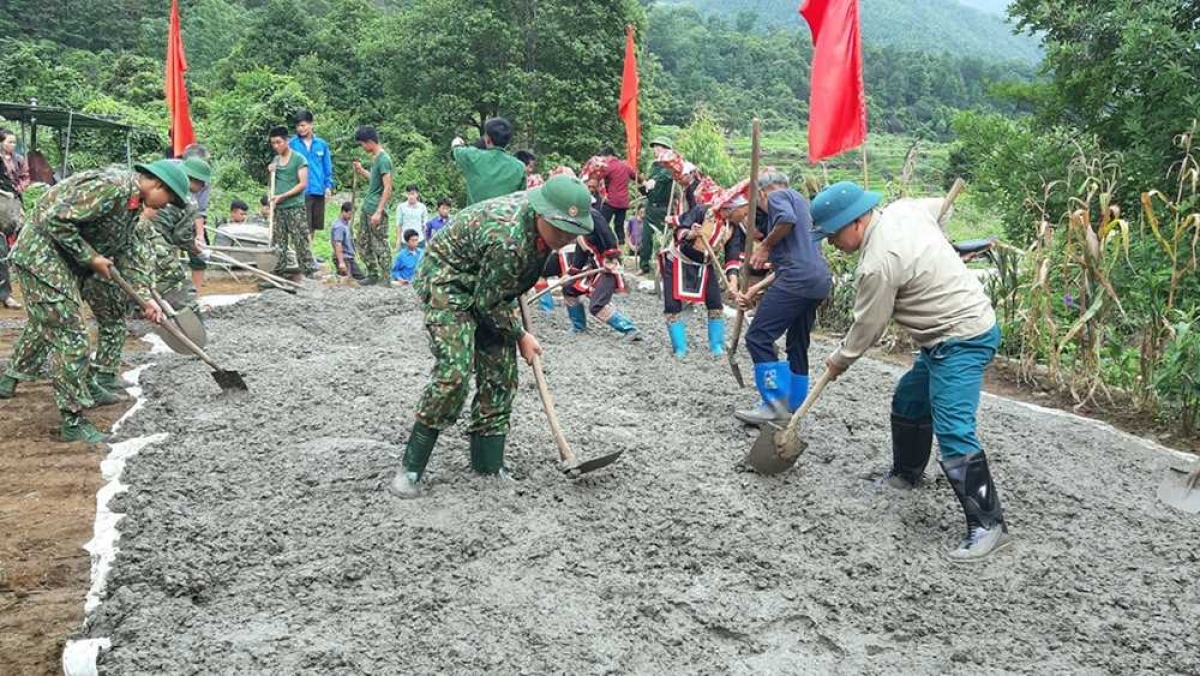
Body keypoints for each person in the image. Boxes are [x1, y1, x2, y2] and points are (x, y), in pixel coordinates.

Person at [812, 181, 1010, 562]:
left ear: (855, 222)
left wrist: (839, 360)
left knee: (953, 428)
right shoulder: (906, 209)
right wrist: (935, 246)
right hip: (937, 339)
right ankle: (906, 473)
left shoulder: (878, 263)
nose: (831, 242)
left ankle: (989, 525)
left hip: (963, 336)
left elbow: (868, 328)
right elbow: (942, 207)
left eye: (832, 234)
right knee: (909, 400)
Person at [390, 175, 594, 498]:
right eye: (560, 229)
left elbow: (499, 291)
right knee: (454, 373)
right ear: (542, 215)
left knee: (501, 374)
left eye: (573, 231)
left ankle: (487, 464)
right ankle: (411, 468)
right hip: (450, 281)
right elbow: (487, 302)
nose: (566, 237)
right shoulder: (509, 239)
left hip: (492, 284)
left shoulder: (542, 234)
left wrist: (513, 313)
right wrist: (521, 335)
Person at [0, 162, 178, 442]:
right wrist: (90, 257)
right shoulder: (112, 187)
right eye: (170, 199)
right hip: (41, 257)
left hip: (61, 264)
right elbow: (55, 219)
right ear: (157, 186)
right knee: (73, 336)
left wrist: (144, 298)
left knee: (49, 324)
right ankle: (72, 422)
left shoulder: (131, 204)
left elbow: (128, 251)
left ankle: (12, 381)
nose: (167, 207)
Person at [734, 171, 831, 426]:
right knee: (798, 342)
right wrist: (755, 290)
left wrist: (765, 246)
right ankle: (795, 405)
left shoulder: (778, 196)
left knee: (758, 337)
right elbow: (792, 263)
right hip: (817, 281)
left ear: (762, 193)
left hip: (796, 280)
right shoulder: (804, 206)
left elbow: (784, 220)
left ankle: (775, 404)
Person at [660, 182, 748, 358]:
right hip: (678, 261)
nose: (746, 216)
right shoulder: (702, 211)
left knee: (715, 303)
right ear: (732, 208)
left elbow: (732, 257)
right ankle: (680, 348)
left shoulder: (734, 228)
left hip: (705, 265)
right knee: (672, 304)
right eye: (744, 212)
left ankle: (717, 346)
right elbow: (680, 231)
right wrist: (692, 234)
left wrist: (732, 282)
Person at [541, 207, 640, 339]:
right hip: (593, 268)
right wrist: (571, 273)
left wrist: (611, 258)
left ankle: (629, 329)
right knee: (569, 289)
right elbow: (580, 253)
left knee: (597, 306)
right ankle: (578, 327)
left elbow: (608, 236)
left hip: (609, 268)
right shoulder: (578, 228)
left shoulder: (592, 216)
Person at [267, 125, 313, 282]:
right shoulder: (275, 160)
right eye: (273, 143)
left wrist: (283, 196)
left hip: (295, 207)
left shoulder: (299, 159)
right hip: (279, 209)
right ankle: (278, 273)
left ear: (286, 141)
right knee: (279, 243)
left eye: (279, 142)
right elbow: (272, 184)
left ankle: (308, 273)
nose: (276, 146)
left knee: (300, 241)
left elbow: (302, 184)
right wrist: (271, 174)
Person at [351, 126, 394, 285]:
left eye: (362, 144)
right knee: (362, 242)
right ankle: (372, 274)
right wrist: (361, 171)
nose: (362, 147)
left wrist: (379, 211)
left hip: (376, 209)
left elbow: (388, 187)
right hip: (367, 207)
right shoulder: (376, 158)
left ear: (369, 142)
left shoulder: (384, 159)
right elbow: (376, 182)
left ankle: (385, 277)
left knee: (380, 244)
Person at [451, 117, 526, 205]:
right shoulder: (519, 167)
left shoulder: (472, 156)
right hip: (506, 218)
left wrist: (457, 142)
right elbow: (521, 199)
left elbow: (455, 150)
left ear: (487, 139)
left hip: (475, 218)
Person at [288, 110, 334, 245]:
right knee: (302, 226)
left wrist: (328, 186)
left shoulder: (321, 144)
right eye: (298, 126)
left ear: (311, 125)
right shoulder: (292, 144)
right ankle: (303, 256)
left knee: (313, 226)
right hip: (300, 191)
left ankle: (308, 254)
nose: (300, 129)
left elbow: (327, 168)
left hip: (318, 190)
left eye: (303, 125)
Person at [1, 128, 31, 309]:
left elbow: (26, 177)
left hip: (14, 204)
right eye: (9, 142)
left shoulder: (19, 159)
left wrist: (17, 189)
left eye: (14, 142)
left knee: (22, 238)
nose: (12, 145)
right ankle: (5, 295)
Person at [638, 137, 675, 274]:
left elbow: (666, 176)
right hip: (651, 206)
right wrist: (643, 186)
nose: (655, 151)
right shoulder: (654, 166)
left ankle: (666, 267)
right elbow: (650, 185)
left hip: (664, 207)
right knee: (646, 237)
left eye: (658, 148)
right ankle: (644, 266)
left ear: (665, 149)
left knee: (666, 238)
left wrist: (654, 180)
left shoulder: (670, 166)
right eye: (655, 148)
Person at [180, 144, 211, 290]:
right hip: (164, 217)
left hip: (190, 218)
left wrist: (199, 236)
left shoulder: (204, 179)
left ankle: (196, 294)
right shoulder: (172, 172)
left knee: (198, 258)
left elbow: (199, 210)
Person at [597, 146, 635, 247]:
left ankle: (607, 243)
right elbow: (636, 177)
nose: (603, 160)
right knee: (619, 225)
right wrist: (644, 182)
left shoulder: (608, 166)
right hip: (623, 203)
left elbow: (597, 177)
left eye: (603, 157)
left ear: (609, 156)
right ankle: (621, 247)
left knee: (602, 223)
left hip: (611, 201)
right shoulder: (625, 166)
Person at [329, 201, 365, 281]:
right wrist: (341, 262)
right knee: (352, 280)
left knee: (360, 278)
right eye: (349, 213)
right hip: (344, 258)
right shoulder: (339, 227)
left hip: (349, 257)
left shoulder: (345, 224)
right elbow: (338, 244)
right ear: (343, 212)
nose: (351, 216)